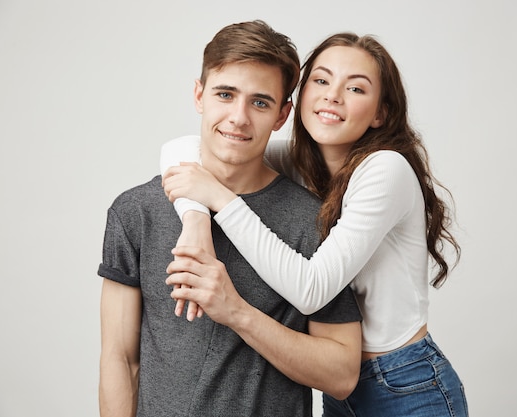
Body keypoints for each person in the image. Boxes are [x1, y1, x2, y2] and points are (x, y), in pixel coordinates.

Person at [161, 32, 468, 416]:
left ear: (380, 114)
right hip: (339, 390)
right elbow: (184, 150)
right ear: (298, 100)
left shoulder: (385, 169)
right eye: (321, 80)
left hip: (406, 384)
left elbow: (312, 290)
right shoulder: (301, 162)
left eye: (355, 88)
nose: (333, 95)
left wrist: (222, 201)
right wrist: (195, 222)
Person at [98, 20, 363, 417]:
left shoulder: (313, 220)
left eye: (259, 102)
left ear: (282, 114)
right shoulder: (137, 212)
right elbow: (120, 360)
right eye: (225, 94)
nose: (239, 118)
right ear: (199, 95)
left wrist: (236, 311)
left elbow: (341, 375)